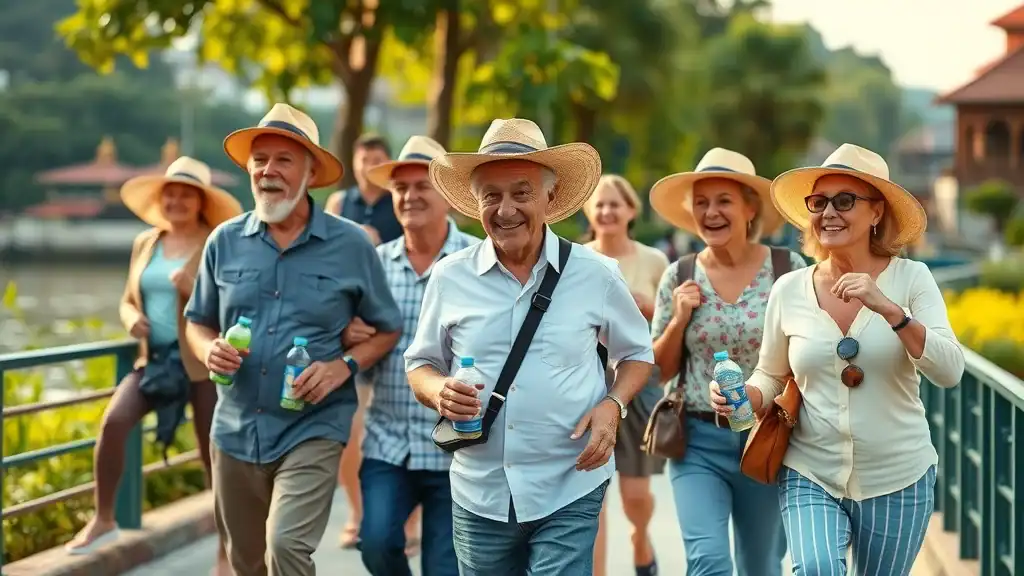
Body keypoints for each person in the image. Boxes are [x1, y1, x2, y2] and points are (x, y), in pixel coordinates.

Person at [404, 117, 655, 575]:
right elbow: (420, 363)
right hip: (479, 491)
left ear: (550, 198)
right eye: (491, 197)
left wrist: (613, 404)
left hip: (570, 481)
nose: (505, 210)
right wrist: (438, 390)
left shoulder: (596, 274)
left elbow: (637, 353)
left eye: (521, 194)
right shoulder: (450, 276)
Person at [709, 143, 965, 575]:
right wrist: (745, 396)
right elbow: (771, 373)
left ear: (877, 213)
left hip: (899, 477)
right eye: (819, 201)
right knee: (815, 568)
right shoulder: (789, 288)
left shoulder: (912, 279)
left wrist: (889, 310)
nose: (828, 212)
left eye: (845, 201)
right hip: (810, 470)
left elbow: (950, 370)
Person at [184, 103, 403, 576]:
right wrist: (208, 349)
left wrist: (342, 365)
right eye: (260, 160)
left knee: (285, 546)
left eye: (284, 159)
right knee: (246, 563)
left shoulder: (351, 246)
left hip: (314, 426)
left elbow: (387, 328)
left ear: (309, 172)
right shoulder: (223, 241)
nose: (268, 170)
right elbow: (197, 321)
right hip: (235, 429)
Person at [65, 157, 242, 576]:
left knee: (213, 459)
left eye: (186, 195)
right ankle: (104, 518)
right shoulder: (146, 242)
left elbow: (235, 304)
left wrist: (194, 288)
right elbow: (127, 298)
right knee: (114, 423)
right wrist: (130, 319)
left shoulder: (216, 244)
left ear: (200, 202)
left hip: (200, 363)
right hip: (155, 360)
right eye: (170, 194)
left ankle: (225, 551)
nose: (177, 201)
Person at [648, 147, 806, 576]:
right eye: (701, 203)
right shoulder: (678, 275)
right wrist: (679, 318)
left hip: (767, 438)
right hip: (697, 440)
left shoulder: (787, 269)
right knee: (709, 562)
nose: (711, 212)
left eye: (723, 201)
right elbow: (658, 371)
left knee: (761, 565)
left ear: (749, 208)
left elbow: (808, 354)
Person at [342, 135, 476, 576]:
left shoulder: (477, 262)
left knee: (444, 567)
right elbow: (340, 334)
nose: (410, 196)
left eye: (423, 186)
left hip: (457, 447)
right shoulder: (372, 264)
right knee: (376, 544)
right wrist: (347, 333)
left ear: (449, 198)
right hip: (388, 442)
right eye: (401, 188)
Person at [323, 132, 412, 549]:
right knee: (352, 428)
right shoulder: (340, 205)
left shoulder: (401, 201)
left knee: (418, 425)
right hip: (356, 328)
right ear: (355, 162)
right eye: (362, 158)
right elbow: (324, 267)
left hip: (403, 323)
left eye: (376, 157)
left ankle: (411, 521)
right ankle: (357, 514)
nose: (367, 164)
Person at [582, 174, 668, 576]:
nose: (607, 211)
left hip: (637, 385)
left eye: (615, 204)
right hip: (587, 384)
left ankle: (640, 536)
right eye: (599, 204)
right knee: (589, 500)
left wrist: (647, 306)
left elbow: (670, 327)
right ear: (587, 211)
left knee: (635, 495)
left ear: (631, 211)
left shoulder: (653, 260)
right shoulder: (578, 259)